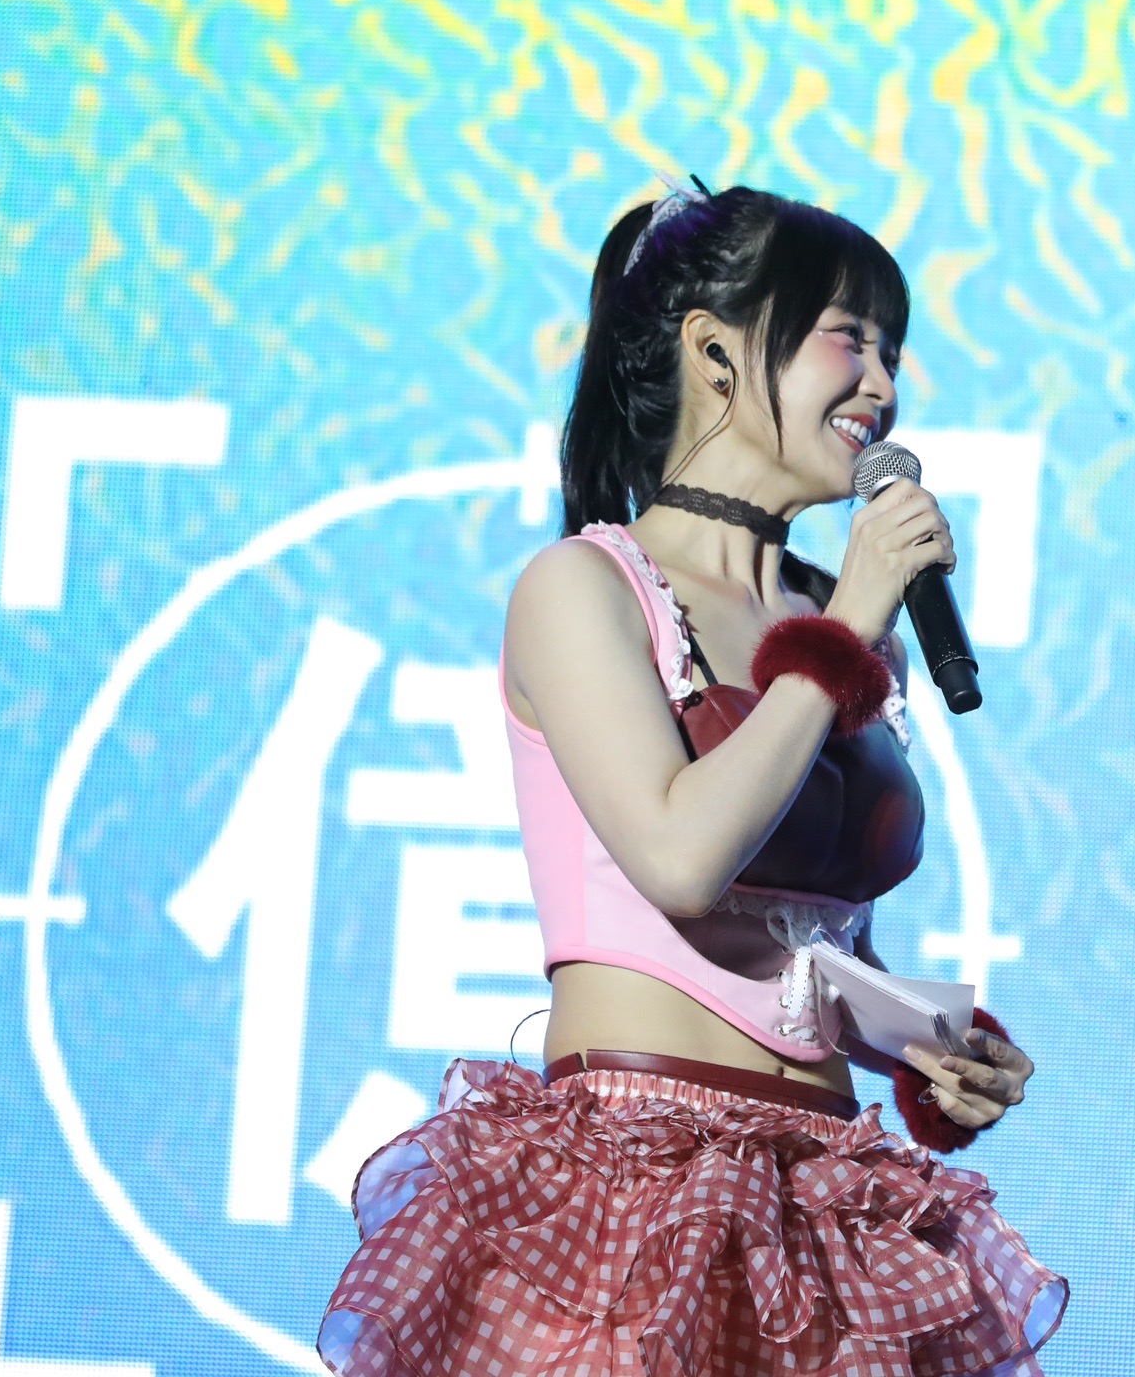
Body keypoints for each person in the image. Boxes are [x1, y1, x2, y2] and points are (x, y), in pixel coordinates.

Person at [320, 180, 1067, 1376]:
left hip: (821, 1194)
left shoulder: (839, 619)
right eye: (850, 339)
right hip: (631, 1185)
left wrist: (927, 1046)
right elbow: (680, 858)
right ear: (714, 351)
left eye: (893, 352)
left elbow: (810, 944)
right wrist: (844, 636)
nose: (882, 385)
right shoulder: (586, 587)